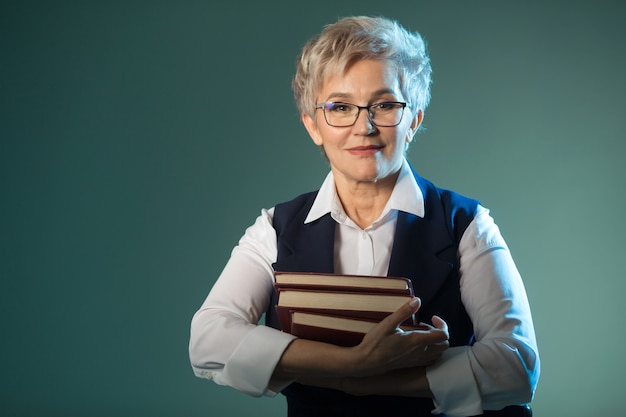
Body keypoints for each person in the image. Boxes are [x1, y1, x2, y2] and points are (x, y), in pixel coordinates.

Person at [189, 15, 540, 417]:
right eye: (340, 107)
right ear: (313, 125)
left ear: (414, 120)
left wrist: (364, 382)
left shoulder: (467, 224)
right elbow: (207, 340)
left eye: (385, 104)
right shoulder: (274, 228)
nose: (364, 126)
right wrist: (351, 365)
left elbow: (517, 367)